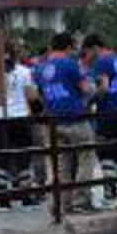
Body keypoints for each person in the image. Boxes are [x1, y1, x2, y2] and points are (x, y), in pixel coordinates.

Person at [28, 33, 98, 214]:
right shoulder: (70, 64)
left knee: (61, 165)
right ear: (68, 47)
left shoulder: (40, 67)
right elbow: (86, 89)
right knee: (86, 157)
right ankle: (80, 201)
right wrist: (93, 90)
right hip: (75, 118)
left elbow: (35, 95)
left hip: (52, 121)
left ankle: (61, 203)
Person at [87, 35, 117, 209]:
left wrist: (90, 101)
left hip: (107, 113)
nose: (89, 56)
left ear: (95, 47)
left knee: (106, 155)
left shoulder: (101, 62)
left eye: (89, 51)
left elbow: (104, 87)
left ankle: (110, 196)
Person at [0, 40, 37, 211]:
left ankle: (2, 198)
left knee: (3, 157)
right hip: (20, 116)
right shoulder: (24, 72)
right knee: (23, 157)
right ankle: (25, 195)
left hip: (0, 117)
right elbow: (31, 96)